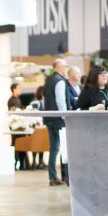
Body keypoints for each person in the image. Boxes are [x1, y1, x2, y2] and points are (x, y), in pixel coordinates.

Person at [43, 58, 70, 186]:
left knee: (53, 149)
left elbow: (43, 100)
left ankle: (52, 177)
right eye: (65, 66)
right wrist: (65, 116)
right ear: (59, 67)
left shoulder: (48, 80)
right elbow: (61, 101)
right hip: (59, 119)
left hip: (49, 118)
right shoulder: (60, 81)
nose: (66, 69)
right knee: (63, 149)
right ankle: (66, 176)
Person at [7, 83, 28, 170]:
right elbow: (14, 114)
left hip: (21, 126)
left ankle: (23, 164)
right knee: (16, 145)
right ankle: (16, 164)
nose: (20, 90)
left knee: (21, 144)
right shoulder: (11, 101)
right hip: (15, 127)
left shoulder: (18, 100)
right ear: (14, 89)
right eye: (18, 88)